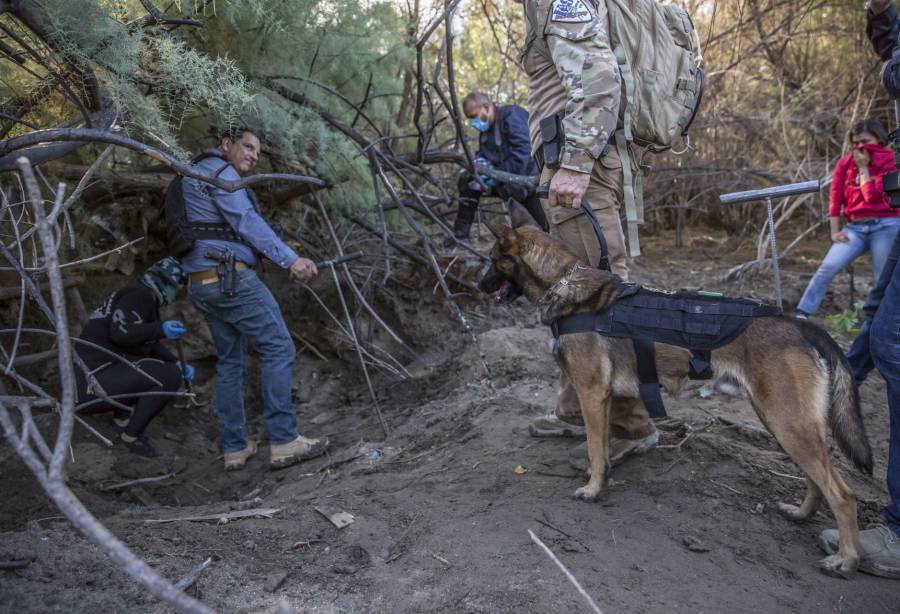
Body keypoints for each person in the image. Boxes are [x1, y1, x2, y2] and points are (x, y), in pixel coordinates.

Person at [516, 0, 658, 464]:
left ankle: (629, 426)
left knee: (596, 300)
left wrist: (575, 164)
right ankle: (577, 408)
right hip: (570, 165)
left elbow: (599, 80)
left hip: (582, 170)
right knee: (569, 295)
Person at [181, 128, 328, 471]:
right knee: (278, 347)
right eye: (247, 147)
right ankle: (284, 440)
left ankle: (235, 447)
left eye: (257, 152)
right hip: (230, 280)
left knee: (231, 362)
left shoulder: (192, 173)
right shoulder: (221, 173)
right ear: (226, 144)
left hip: (201, 283)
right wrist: (291, 259)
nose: (252, 155)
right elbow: (246, 220)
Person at [817, 0, 900, 578]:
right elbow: (837, 196)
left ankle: (896, 531)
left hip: (886, 223)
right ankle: (827, 412)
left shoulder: (885, 155)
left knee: (892, 339)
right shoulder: (851, 163)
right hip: (870, 224)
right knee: (874, 327)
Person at [74, 257, 191, 458]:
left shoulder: (136, 295)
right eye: (179, 286)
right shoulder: (140, 295)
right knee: (168, 376)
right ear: (168, 282)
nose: (178, 292)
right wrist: (160, 330)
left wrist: (176, 362)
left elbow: (144, 342)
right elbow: (122, 333)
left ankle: (122, 419)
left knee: (160, 367)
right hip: (90, 385)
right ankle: (131, 437)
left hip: (85, 384)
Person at [795, 119, 900, 319]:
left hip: (886, 224)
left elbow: (872, 196)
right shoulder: (845, 163)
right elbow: (835, 197)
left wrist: (863, 168)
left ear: (879, 139)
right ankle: (802, 314)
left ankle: (878, 322)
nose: (860, 147)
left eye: (866, 141)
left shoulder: (890, 160)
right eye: (856, 142)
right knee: (828, 266)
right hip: (855, 228)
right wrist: (835, 231)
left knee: (882, 279)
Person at [447, 92, 548, 246]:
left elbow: (524, 156)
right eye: (469, 119)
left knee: (542, 228)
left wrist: (493, 174)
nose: (473, 122)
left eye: (474, 116)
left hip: (528, 183)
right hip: (504, 183)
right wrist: (480, 166)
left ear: (487, 107)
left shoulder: (511, 115)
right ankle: (460, 238)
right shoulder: (485, 130)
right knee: (468, 181)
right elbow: (485, 155)